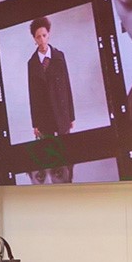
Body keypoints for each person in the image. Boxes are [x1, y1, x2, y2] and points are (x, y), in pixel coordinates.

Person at [26, 14, 77, 184]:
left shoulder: (59, 56)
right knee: (48, 148)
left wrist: (71, 116)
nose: (42, 39)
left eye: (44, 35)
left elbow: (67, 86)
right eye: (38, 36)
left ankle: (67, 178)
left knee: (66, 149)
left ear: (49, 35)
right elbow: (32, 94)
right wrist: (35, 123)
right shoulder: (32, 63)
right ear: (34, 38)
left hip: (61, 109)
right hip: (44, 112)